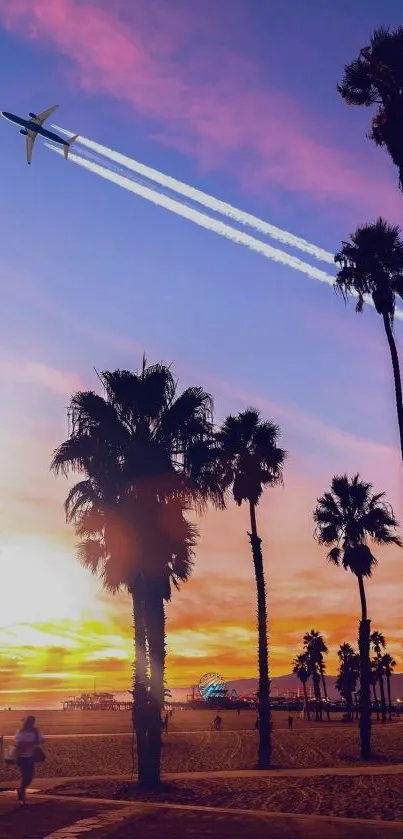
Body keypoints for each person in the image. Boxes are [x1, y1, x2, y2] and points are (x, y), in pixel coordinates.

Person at [14, 715, 44, 803]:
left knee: (30, 777)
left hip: (31, 757)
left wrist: (36, 740)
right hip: (21, 757)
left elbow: (41, 740)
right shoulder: (20, 731)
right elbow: (19, 744)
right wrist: (30, 743)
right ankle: (22, 794)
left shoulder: (36, 731)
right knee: (25, 776)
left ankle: (21, 789)